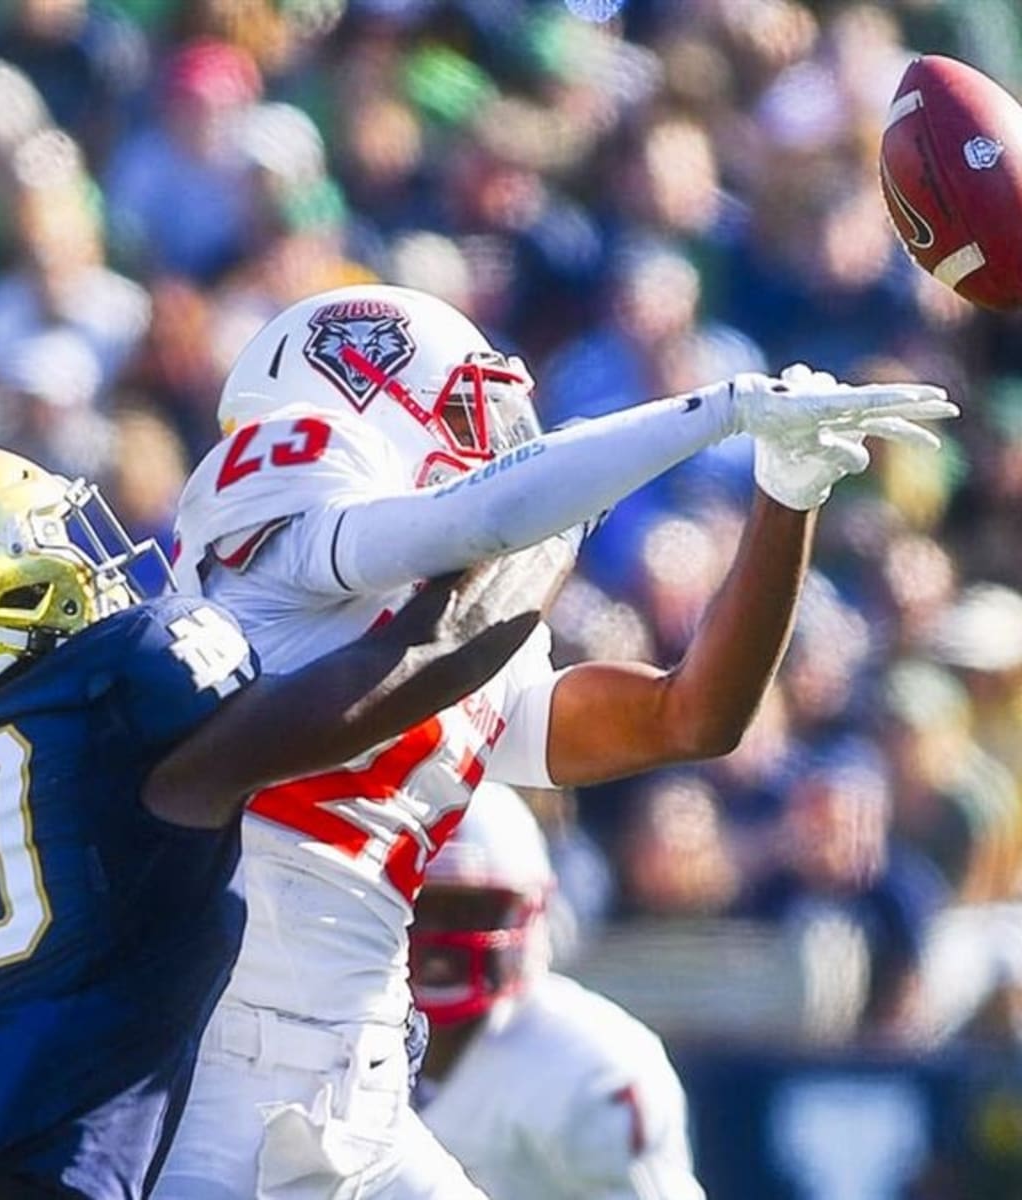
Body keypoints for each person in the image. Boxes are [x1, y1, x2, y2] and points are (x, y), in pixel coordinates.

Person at [160, 283, 955, 1198]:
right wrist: (721, 410)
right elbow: (481, 518)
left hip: (365, 1082)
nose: (495, 434)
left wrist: (786, 495)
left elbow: (689, 717)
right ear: (358, 383)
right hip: (213, 1075)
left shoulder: (455, 632)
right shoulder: (283, 475)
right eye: (465, 406)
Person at [0, 442, 556, 1200]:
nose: (88, 567)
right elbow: (392, 680)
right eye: (46, 552)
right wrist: (547, 524)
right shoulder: (107, 708)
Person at [411, 782, 704, 1200]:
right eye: (422, 909)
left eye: (469, 910)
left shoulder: (594, 1066)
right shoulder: (336, 1038)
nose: (439, 942)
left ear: (534, 911)